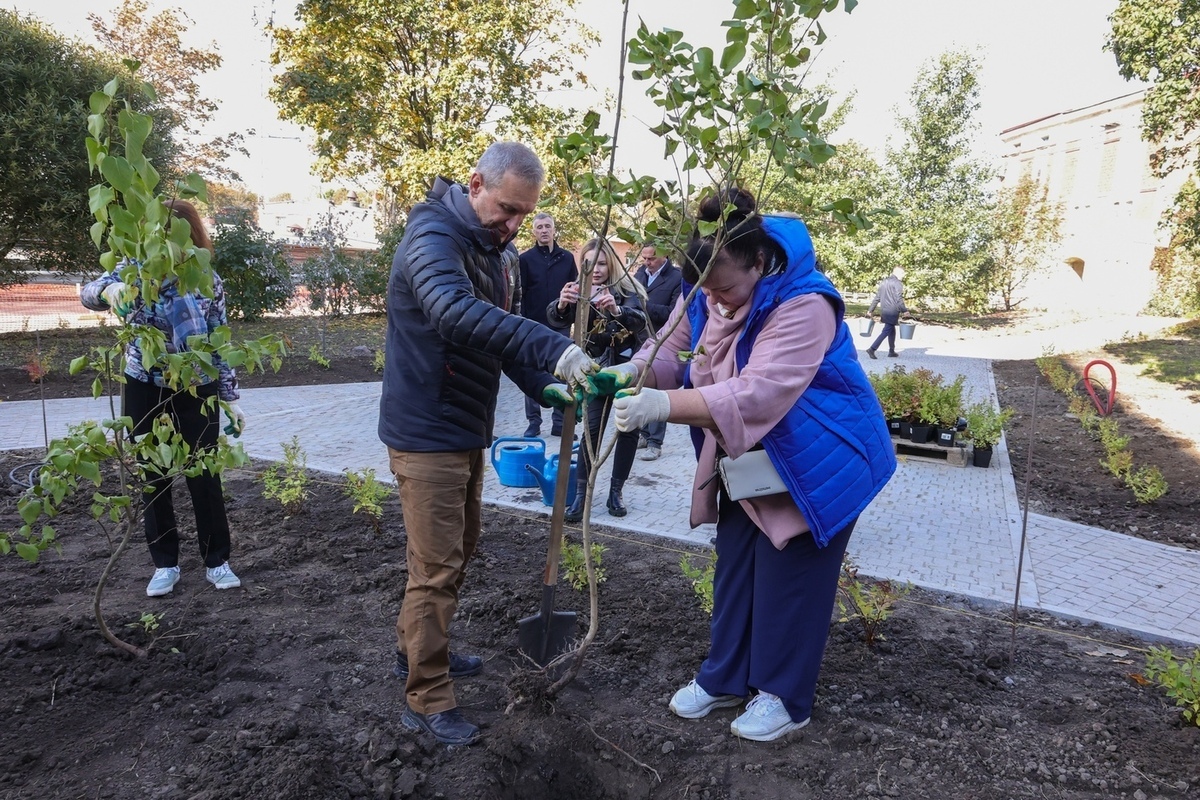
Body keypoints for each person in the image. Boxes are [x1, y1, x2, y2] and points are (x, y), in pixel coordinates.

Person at [598, 188, 896, 742]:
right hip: (748, 457)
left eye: (728, 287)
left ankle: (784, 696)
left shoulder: (804, 304)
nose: (718, 300)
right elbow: (673, 346)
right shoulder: (708, 286)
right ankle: (726, 677)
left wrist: (663, 406)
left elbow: (756, 394)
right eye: (706, 288)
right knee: (735, 565)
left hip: (818, 460)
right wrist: (630, 373)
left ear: (759, 262)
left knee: (790, 576)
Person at [378, 142, 597, 747]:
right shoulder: (432, 241)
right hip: (427, 432)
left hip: (461, 429)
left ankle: (415, 653)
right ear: (475, 184)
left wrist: (545, 384)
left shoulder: (486, 248)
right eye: (507, 209)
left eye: (525, 214)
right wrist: (553, 347)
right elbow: (453, 314)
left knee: (454, 552)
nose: (515, 225)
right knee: (437, 567)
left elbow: (493, 343)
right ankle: (425, 697)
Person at [80, 200, 246, 598]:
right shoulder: (135, 273)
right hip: (145, 384)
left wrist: (229, 398)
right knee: (153, 475)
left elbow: (219, 341)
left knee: (204, 474)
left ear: (189, 236)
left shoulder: (207, 280)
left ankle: (217, 560)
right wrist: (110, 288)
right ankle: (165, 565)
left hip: (196, 384)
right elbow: (88, 293)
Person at [545, 239, 648, 520]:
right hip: (595, 370)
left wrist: (616, 310)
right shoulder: (578, 289)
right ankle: (582, 495)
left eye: (601, 263)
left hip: (626, 369)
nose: (596, 269)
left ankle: (616, 492)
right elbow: (555, 319)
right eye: (589, 263)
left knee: (627, 429)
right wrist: (562, 305)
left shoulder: (627, 288)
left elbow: (640, 320)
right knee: (591, 431)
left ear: (611, 263)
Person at [518, 212, 578, 437]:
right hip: (532, 324)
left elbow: (574, 290)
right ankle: (533, 422)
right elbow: (520, 294)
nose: (544, 230)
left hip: (560, 325)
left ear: (554, 230)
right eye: (539, 227)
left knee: (560, 373)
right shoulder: (525, 260)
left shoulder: (567, 258)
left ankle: (560, 423)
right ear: (534, 232)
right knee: (532, 371)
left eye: (547, 226)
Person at [633, 244, 682, 461]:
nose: (647, 262)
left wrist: (644, 305)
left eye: (651, 258)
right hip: (638, 338)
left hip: (662, 340)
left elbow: (673, 314)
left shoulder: (677, 278)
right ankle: (643, 434)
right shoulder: (639, 274)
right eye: (644, 258)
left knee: (658, 390)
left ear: (665, 255)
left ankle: (655, 442)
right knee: (640, 388)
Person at [866, 266, 909, 359]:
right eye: (902, 273)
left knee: (891, 329)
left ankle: (891, 351)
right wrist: (905, 311)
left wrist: (870, 310)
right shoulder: (897, 283)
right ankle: (872, 349)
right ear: (897, 272)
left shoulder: (884, 282)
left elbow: (877, 297)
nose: (903, 276)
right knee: (886, 331)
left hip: (884, 310)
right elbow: (899, 298)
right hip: (893, 311)